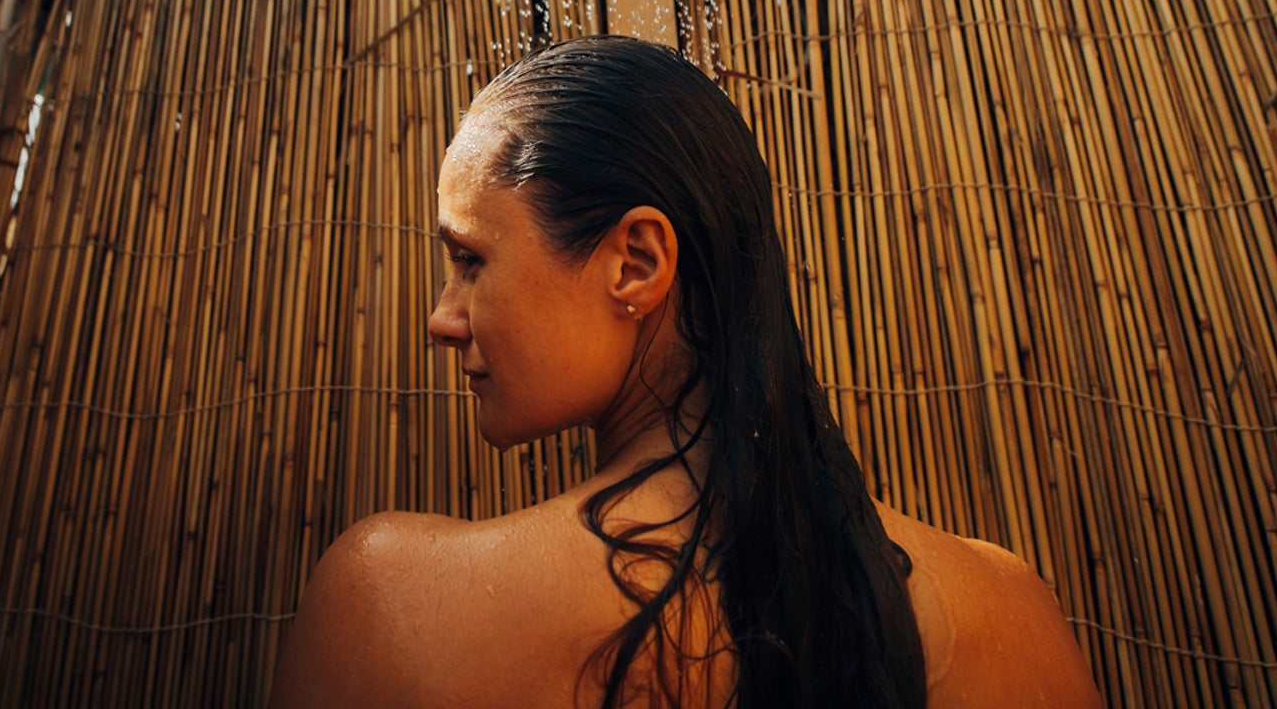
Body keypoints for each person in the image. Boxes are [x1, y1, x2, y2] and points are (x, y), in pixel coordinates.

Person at [274, 36, 1101, 708]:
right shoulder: (1014, 612)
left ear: (636, 262)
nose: (442, 318)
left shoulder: (396, 609)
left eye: (469, 259)